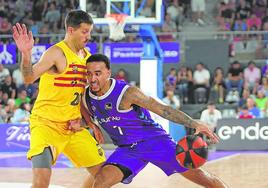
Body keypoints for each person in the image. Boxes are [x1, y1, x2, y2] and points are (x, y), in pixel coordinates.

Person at [78, 54, 228, 188]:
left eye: (97, 74)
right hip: (128, 150)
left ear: (108, 73)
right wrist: (90, 124)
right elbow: (87, 114)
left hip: (155, 142)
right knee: (100, 181)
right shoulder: (86, 96)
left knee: (205, 180)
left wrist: (194, 124)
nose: (92, 79)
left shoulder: (128, 93)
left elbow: (164, 110)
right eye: (89, 74)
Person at [12, 10, 105, 188]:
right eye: (84, 31)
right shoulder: (56, 53)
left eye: (90, 32)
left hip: (73, 127)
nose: (89, 36)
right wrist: (26, 54)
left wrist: (90, 123)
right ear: (71, 30)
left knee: (103, 174)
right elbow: (28, 78)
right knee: (41, 180)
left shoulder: (86, 57)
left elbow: (79, 97)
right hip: (46, 125)